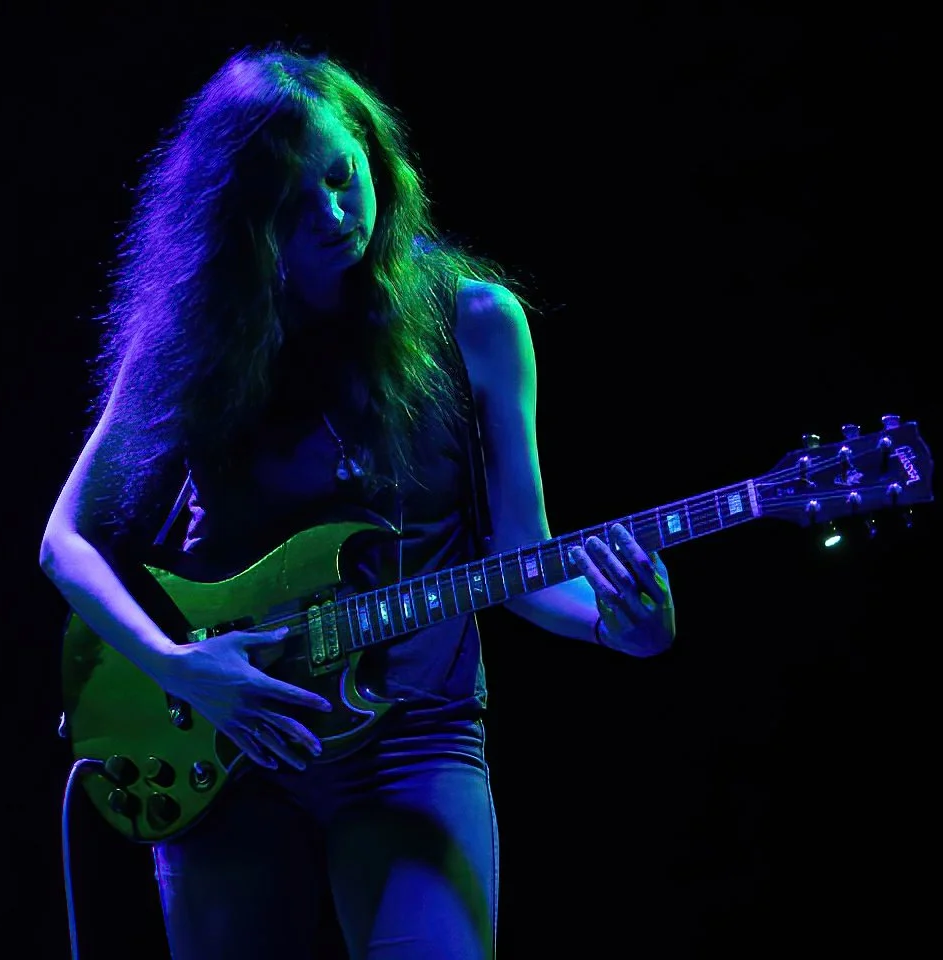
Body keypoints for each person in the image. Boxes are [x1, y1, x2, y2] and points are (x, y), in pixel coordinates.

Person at [39, 42, 676, 960]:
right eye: (294, 205)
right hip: (230, 735)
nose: (336, 215)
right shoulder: (197, 335)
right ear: (241, 220)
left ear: (374, 155)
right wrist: (180, 667)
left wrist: (620, 628)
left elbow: (524, 562)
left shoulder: (476, 320)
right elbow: (65, 541)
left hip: (412, 739)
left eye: (344, 176)